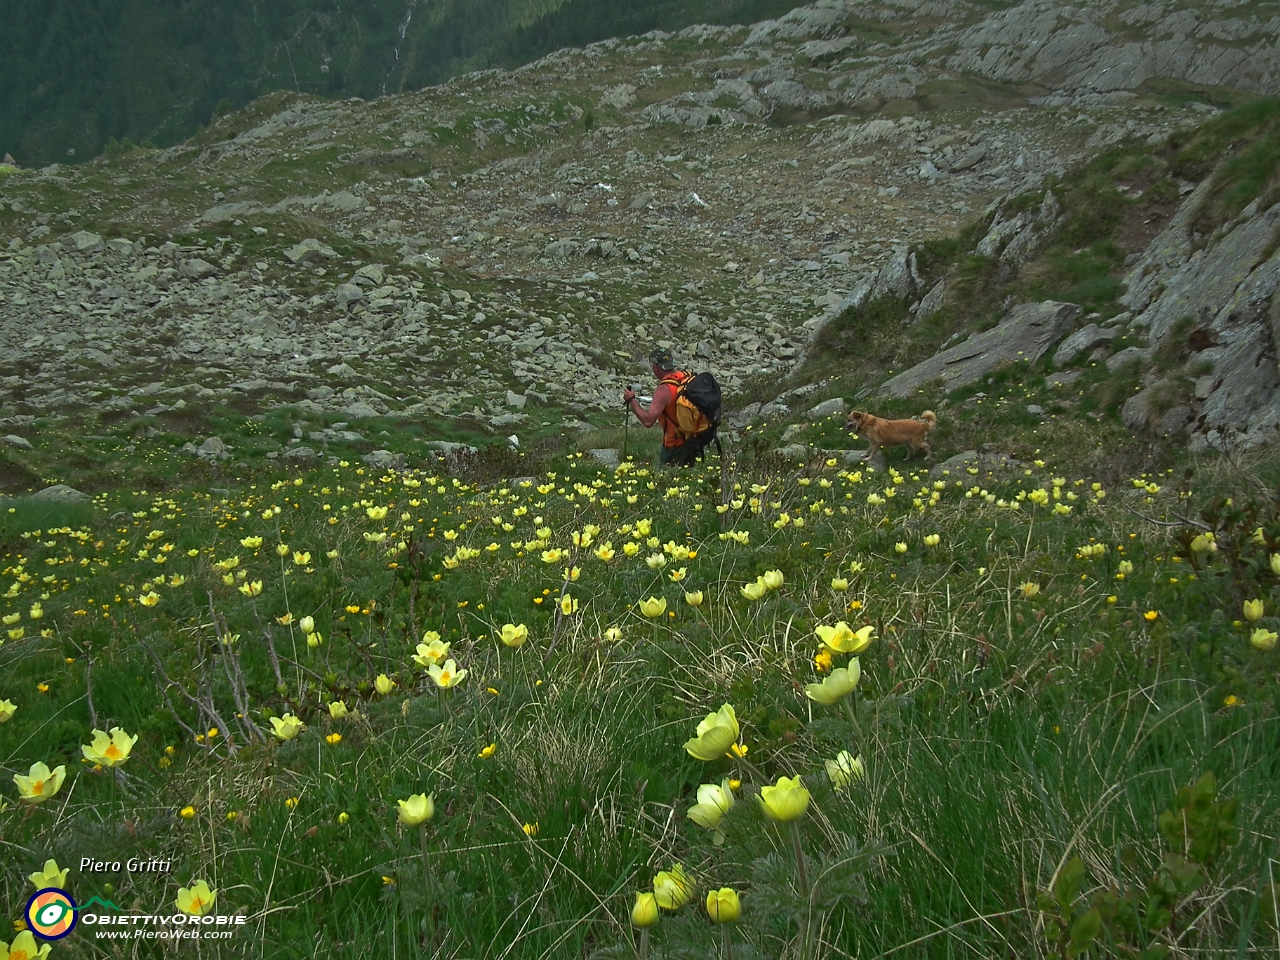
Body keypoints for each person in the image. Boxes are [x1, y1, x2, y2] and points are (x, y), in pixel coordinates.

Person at [623, 347, 701, 467]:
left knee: (666, 482)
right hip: (694, 441)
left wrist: (631, 401)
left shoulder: (664, 388)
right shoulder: (686, 377)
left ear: (655, 367)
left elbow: (648, 421)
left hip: (674, 446)